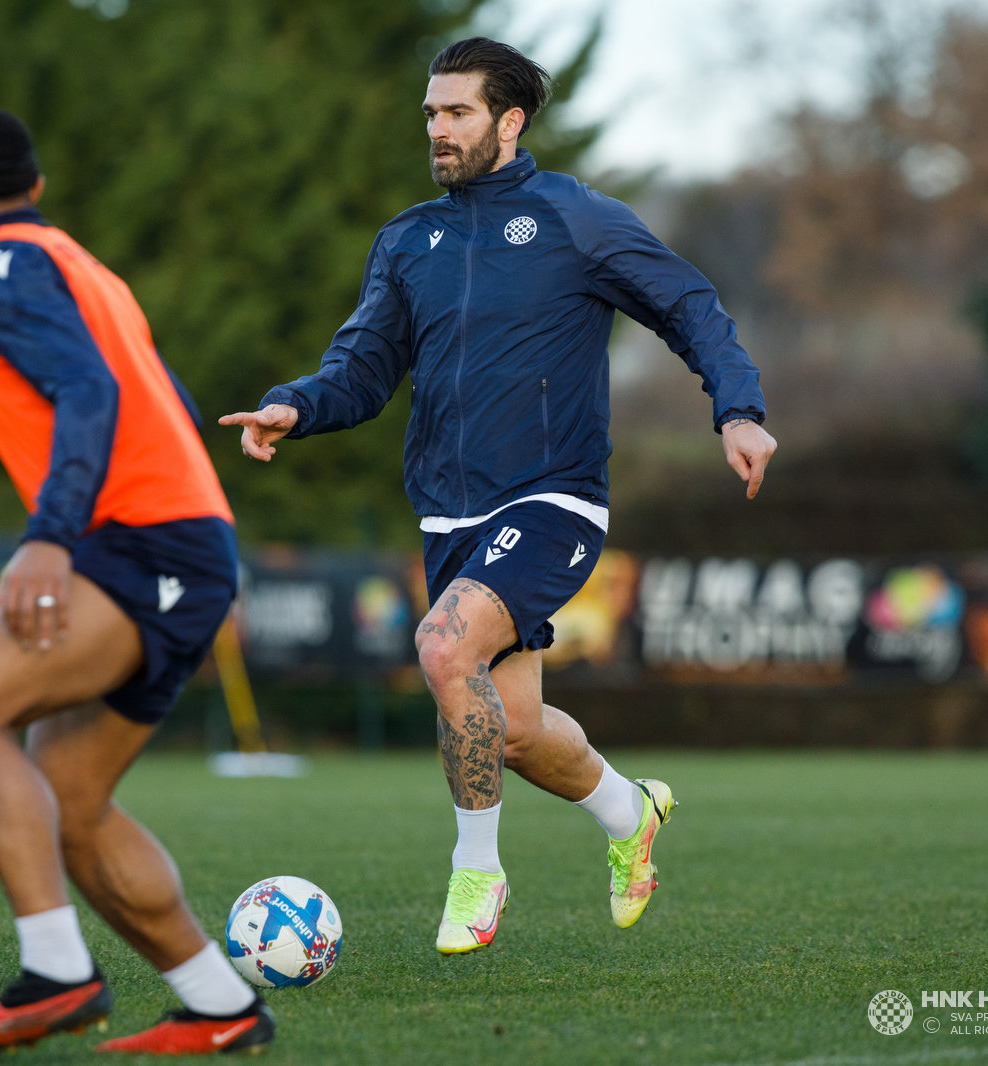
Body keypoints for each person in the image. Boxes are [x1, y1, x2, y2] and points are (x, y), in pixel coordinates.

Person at [221, 38, 777, 955]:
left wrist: (739, 409)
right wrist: (296, 405)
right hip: (449, 510)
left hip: (553, 499)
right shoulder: (408, 239)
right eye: (432, 113)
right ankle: (628, 813)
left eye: (458, 113)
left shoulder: (576, 218)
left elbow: (689, 306)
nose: (437, 129)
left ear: (510, 122)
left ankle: (477, 870)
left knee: (443, 649)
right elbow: (362, 367)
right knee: (509, 729)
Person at [0, 106, 273, 1056]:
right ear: (36, 187)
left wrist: (48, 539)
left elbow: (90, 391)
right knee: (70, 801)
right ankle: (219, 1005)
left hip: (140, 545)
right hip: (176, 544)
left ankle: (57, 974)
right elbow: (165, 398)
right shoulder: (84, 266)